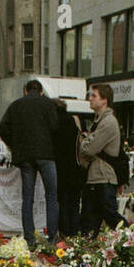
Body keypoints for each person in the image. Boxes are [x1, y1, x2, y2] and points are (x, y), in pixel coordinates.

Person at [0, 78, 59, 249]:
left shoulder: (16, 105)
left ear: (25, 91)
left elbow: (2, 128)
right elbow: (55, 127)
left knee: (28, 198)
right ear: (41, 91)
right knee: (52, 196)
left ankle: (29, 238)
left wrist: (15, 145)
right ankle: (52, 238)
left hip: (25, 157)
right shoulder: (47, 104)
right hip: (46, 155)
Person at [78, 82, 124, 236]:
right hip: (95, 177)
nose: (90, 99)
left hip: (103, 178)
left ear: (104, 100)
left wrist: (85, 141)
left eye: (94, 96)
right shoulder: (99, 121)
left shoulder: (108, 122)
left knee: (110, 217)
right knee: (89, 223)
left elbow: (88, 148)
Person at [52, 98, 84, 238]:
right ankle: (75, 231)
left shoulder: (54, 123)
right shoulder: (74, 120)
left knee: (62, 203)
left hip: (60, 168)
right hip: (75, 167)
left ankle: (64, 232)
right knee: (75, 202)